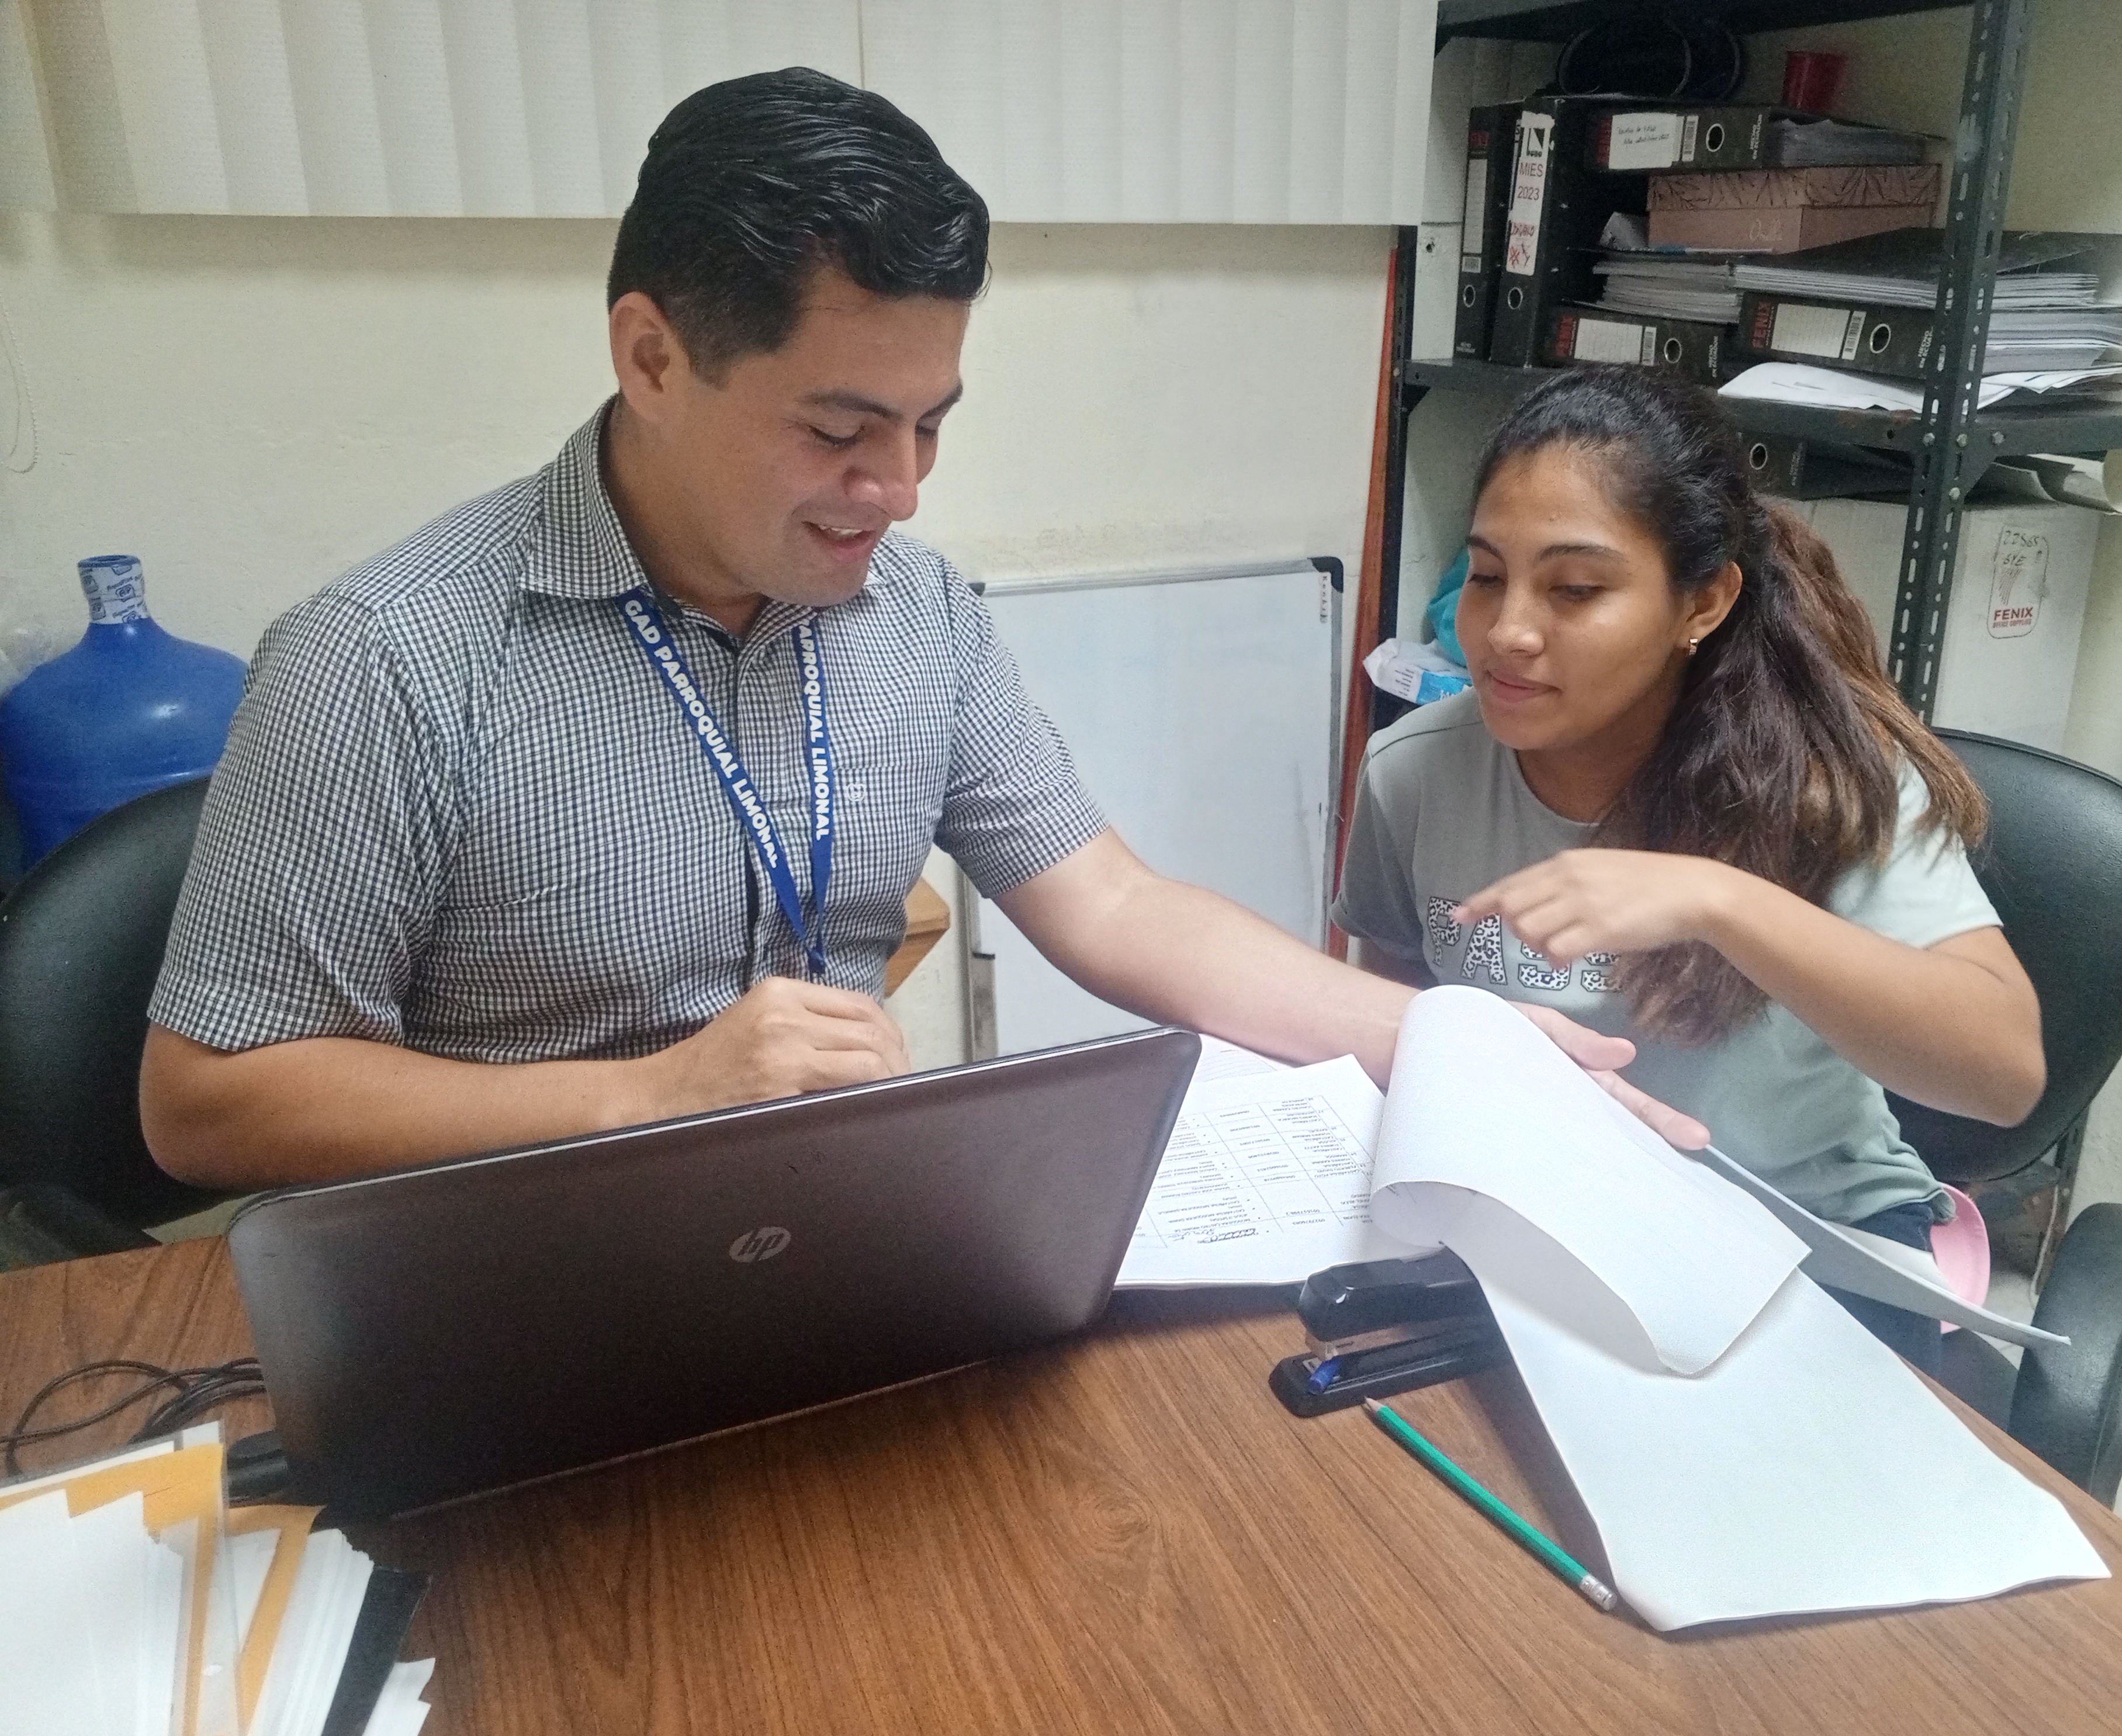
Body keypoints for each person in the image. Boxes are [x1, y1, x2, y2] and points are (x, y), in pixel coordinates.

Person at [140, 69, 1700, 1193]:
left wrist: (1440, 1042)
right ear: (653, 358)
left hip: (837, 1217)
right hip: (524, 1267)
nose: (895, 489)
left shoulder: (916, 612)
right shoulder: (387, 659)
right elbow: (205, 1102)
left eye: (930, 423)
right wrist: (648, 1096)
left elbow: (1114, 904)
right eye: (838, 430)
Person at [1330, 365, 2045, 1370]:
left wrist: (1719, 900)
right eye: (1487, 576)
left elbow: (2004, 1073)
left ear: (1701, 602)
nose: (1507, 632)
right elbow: (1398, 1016)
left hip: (1811, 1249)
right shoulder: (1413, 771)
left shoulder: (1830, 785)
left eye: (1575, 589)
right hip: (1546, 1229)